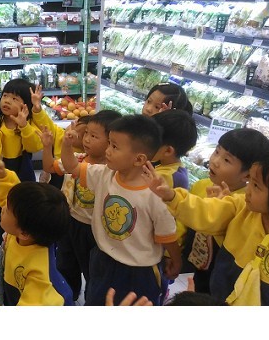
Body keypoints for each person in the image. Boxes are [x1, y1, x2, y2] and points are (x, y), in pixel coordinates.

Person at [60, 114, 181, 305]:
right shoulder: (105, 174)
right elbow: (72, 167)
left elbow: (167, 234)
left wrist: (176, 261)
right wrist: (66, 145)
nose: (107, 150)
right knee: (96, 301)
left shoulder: (155, 192)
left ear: (139, 159)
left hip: (139, 270)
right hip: (103, 257)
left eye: (115, 147)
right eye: (109, 143)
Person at [143, 145, 269, 305]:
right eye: (250, 182)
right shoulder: (241, 206)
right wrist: (172, 196)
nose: (247, 190)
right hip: (219, 298)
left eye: (256, 186)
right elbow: (207, 211)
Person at [40, 109, 121, 301]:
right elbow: (49, 167)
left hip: (94, 229)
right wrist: (47, 146)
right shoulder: (77, 159)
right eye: (86, 134)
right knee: (65, 264)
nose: (86, 139)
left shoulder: (111, 171)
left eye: (94, 136)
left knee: (93, 270)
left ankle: (91, 299)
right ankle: (67, 297)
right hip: (70, 221)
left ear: (112, 142)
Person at [181, 128, 269, 294]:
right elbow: (184, 223)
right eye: (217, 151)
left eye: (227, 160)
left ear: (247, 175)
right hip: (194, 264)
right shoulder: (201, 186)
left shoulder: (246, 205)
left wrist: (218, 211)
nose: (215, 161)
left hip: (219, 275)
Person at [0, 159, 74, 305]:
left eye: (7, 210)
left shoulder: (38, 273)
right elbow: (14, 200)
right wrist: (3, 177)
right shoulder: (26, 229)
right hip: (12, 287)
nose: (3, 207)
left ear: (24, 233)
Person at [150, 109, 198, 299]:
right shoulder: (173, 168)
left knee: (155, 284)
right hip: (164, 245)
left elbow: (173, 221)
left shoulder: (164, 177)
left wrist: (172, 255)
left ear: (168, 150)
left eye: (150, 141)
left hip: (161, 249)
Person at [0, 78, 43, 183]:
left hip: (23, 173)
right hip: (0, 170)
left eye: (14, 99)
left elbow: (34, 147)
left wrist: (24, 126)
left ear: (26, 105)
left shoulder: (29, 124)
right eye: (5, 95)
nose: (7, 101)